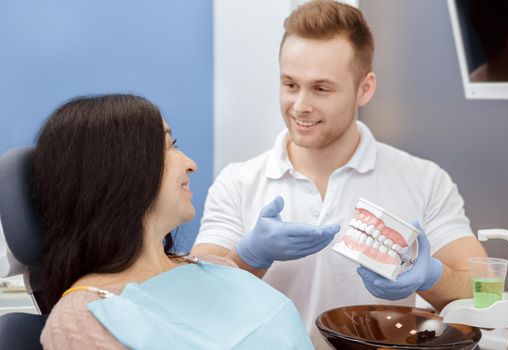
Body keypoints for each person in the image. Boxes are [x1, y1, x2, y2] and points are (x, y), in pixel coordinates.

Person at [192, 1, 487, 348]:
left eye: (321, 89)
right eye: (290, 84)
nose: (300, 104)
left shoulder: (424, 180)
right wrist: (249, 259)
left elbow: (482, 289)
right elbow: (198, 301)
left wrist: (430, 278)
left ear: (365, 88)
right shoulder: (238, 183)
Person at [36, 94, 329, 349]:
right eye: (168, 146)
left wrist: (252, 256)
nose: (190, 162)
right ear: (121, 171)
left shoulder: (205, 268)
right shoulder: (83, 316)